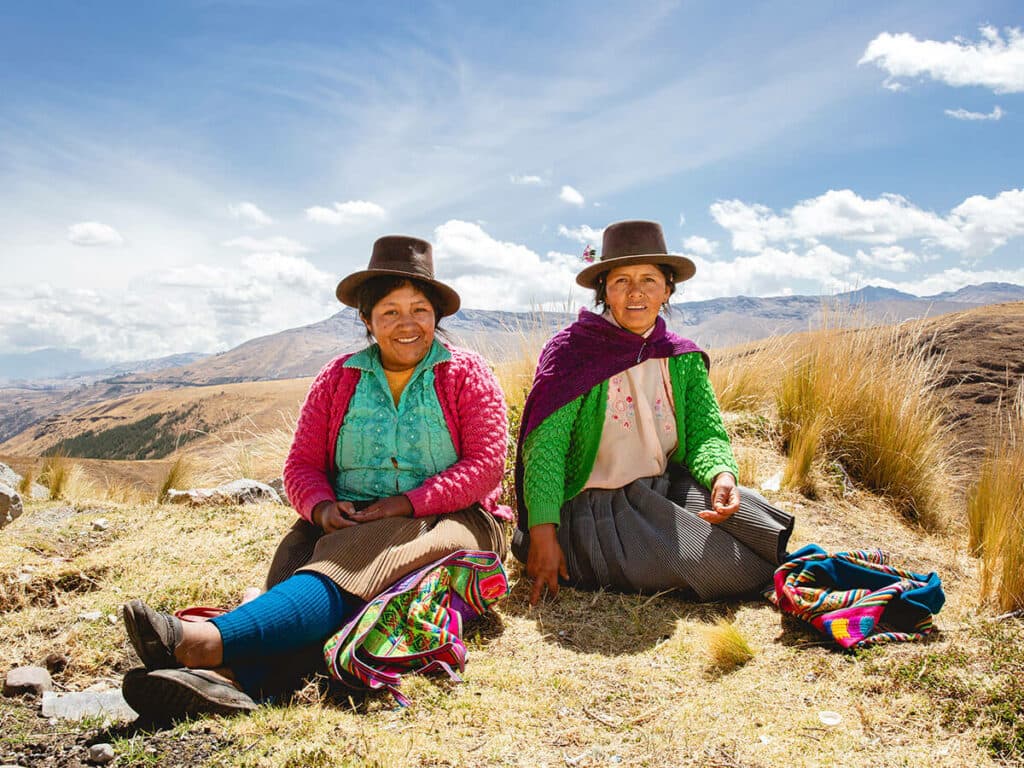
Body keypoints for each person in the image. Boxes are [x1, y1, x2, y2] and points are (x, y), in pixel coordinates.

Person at [121, 235, 511, 718]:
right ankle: (234, 681)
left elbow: (485, 465)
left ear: (436, 316)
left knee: (358, 558)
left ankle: (201, 642)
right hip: (349, 518)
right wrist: (322, 508)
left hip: (454, 520)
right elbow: (302, 465)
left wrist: (407, 503)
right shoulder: (337, 378)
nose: (407, 324)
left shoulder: (465, 373)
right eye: (390, 312)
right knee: (297, 559)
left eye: (419, 310)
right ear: (367, 319)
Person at [513, 220, 793, 606]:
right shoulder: (572, 353)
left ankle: (790, 569)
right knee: (724, 563)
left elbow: (706, 433)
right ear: (604, 291)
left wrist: (721, 475)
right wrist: (543, 531)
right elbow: (546, 446)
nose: (636, 292)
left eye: (648, 279)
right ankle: (775, 579)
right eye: (621, 281)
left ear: (667, 289)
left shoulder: (681, 356)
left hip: (664, 486)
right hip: (594, 506)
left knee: (756, 524)